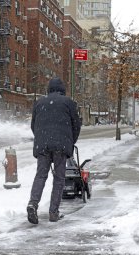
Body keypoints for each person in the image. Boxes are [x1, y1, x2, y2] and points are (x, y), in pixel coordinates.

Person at [27, 77, 81, 224]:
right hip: (61, 146)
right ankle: (53, 212)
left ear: (48, 89)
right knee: (59, 178)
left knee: (40, 176)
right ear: (62, 90)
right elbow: (76, 125)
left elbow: (33, 125)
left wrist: (42, 140)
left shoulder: (39, 103)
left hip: (42, 145)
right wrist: (70, 141)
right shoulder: (69, 103)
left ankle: (33, 203)